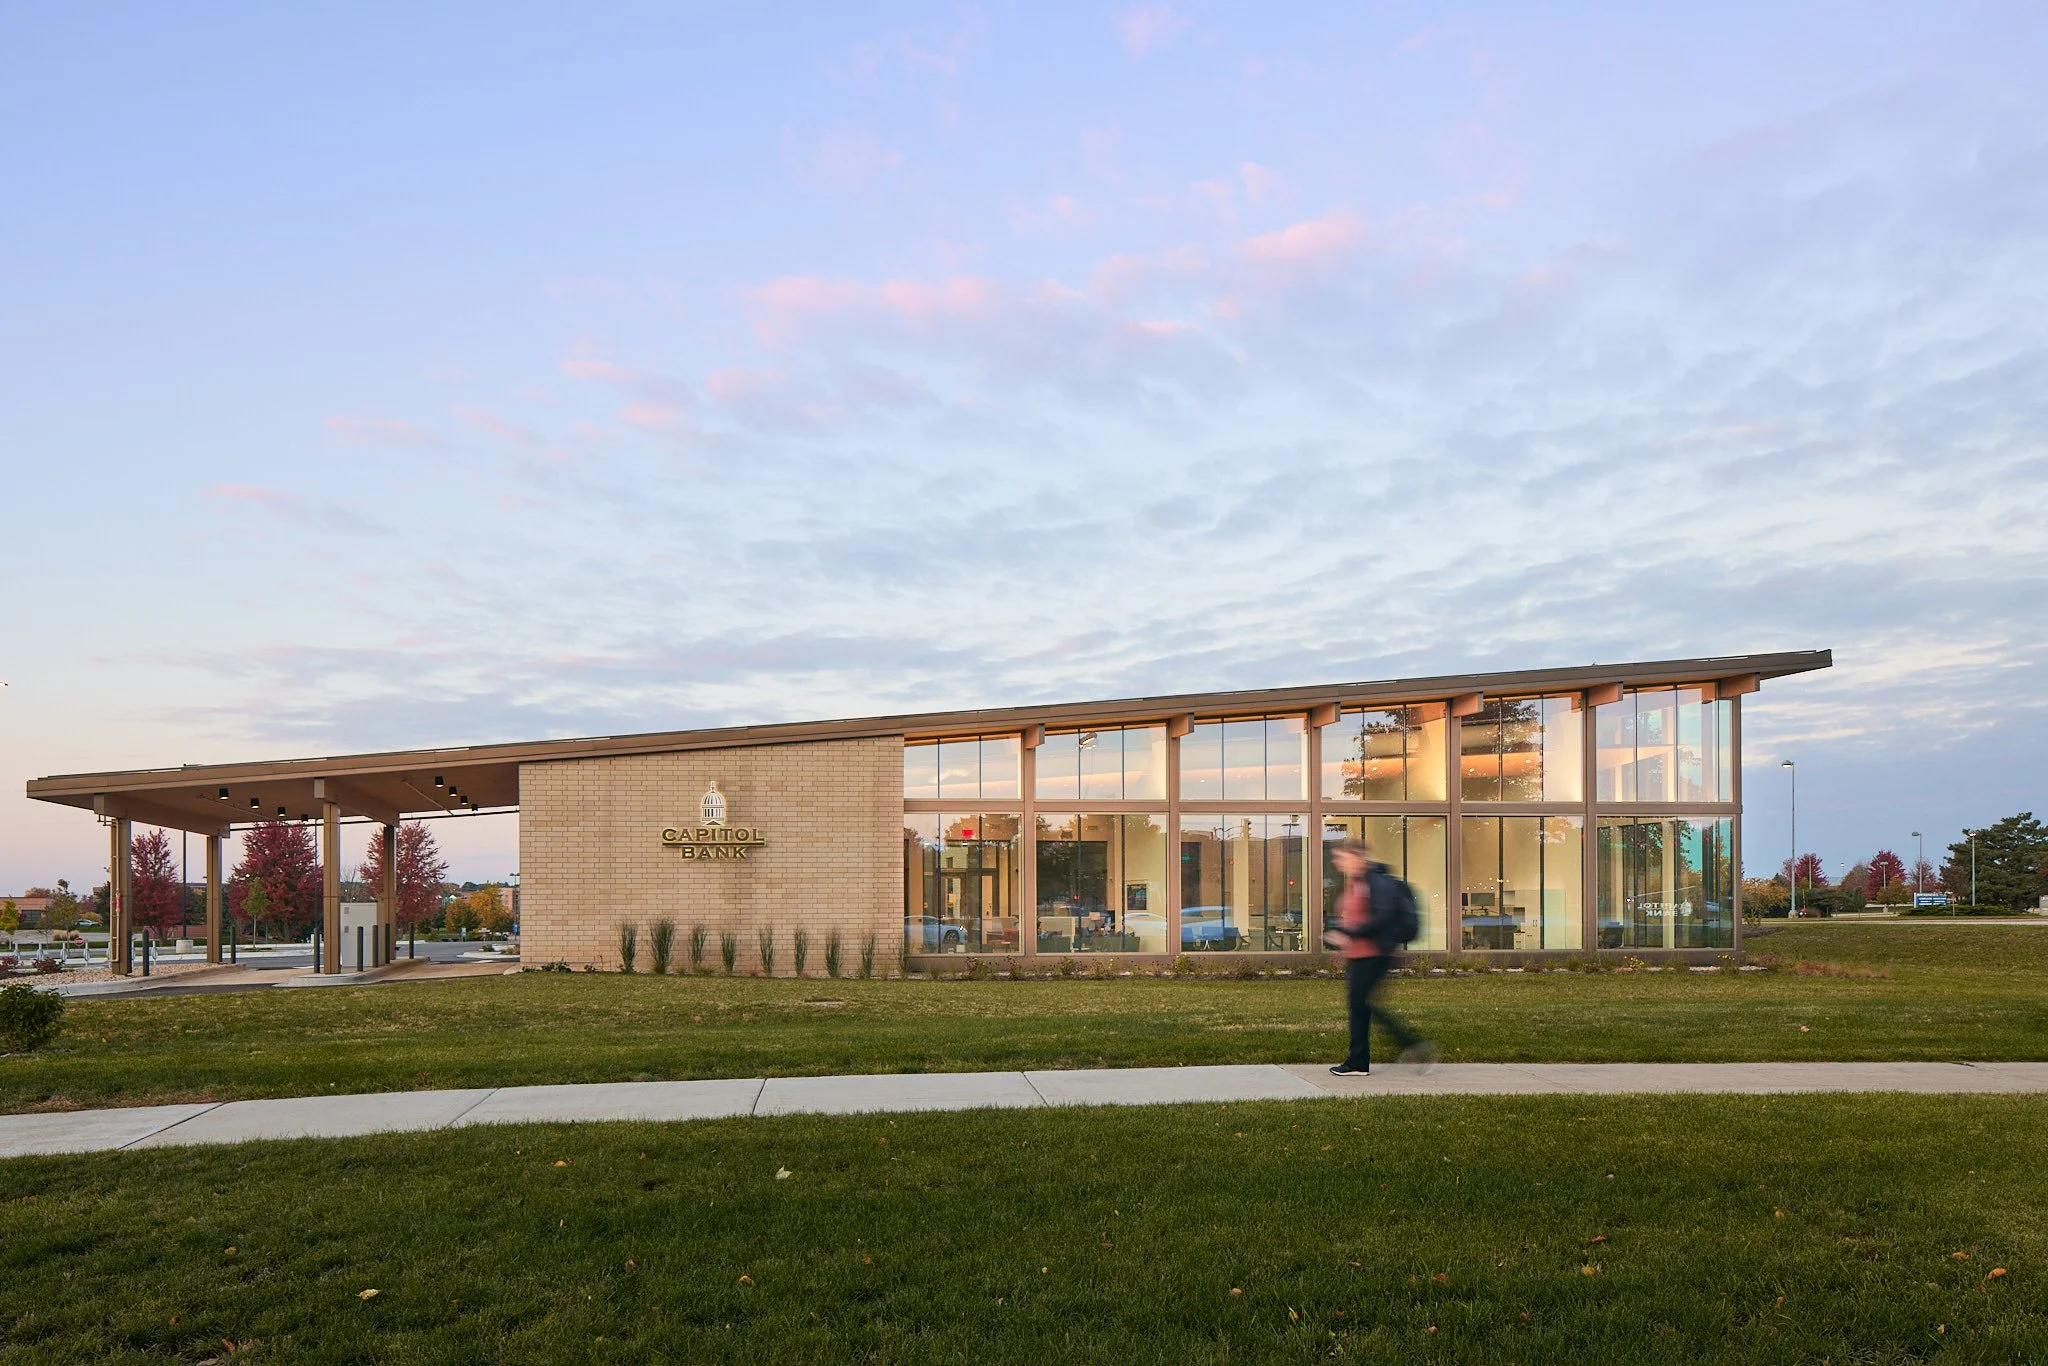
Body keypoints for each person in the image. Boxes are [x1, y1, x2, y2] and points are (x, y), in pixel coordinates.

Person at [1323, 837, 1436, 1075]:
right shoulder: (1359, 881)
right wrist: (1344, 936)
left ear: (1356, 856)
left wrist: (1348, 933)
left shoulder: (1374, 881)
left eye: (1341, 857)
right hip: (1360, 954)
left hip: (1374, 954)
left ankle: (1403, 1048)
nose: (1337, 862)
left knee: (1361, 1005)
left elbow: (1380, 917)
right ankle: (1360, 1061)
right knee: (1362, 1006)